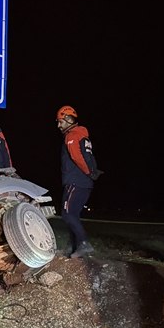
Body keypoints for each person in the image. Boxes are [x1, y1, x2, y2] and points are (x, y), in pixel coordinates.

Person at [55, 105, 102, 258]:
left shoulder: (72, 135)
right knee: (73, 214)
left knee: (67, 214)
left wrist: (88, 172)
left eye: (60, 121)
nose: (58, 125)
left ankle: (84, 244)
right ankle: (73, 247)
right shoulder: (83, 135)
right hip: (84, 182)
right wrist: (92, 173)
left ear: (68, 120)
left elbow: (77, 156)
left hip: (76, 181)